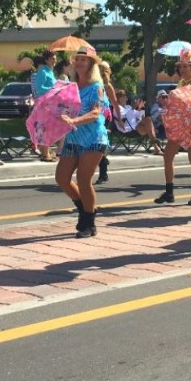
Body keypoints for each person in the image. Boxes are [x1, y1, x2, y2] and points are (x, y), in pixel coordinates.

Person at [55, 46, 110, 238]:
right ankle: (84, 208)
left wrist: (74, 121)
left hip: (93, 138)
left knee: (84, 180)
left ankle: (89, 222)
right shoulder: (70, 87)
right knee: (62, 178)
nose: (79, 62)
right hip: (73, 138)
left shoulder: (97, 87)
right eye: (77, 59)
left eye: (83, 60)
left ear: (91, 64)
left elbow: (96, 113)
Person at [154, 50, 191, 205]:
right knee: (167, 155)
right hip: (180, 125)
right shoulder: (180, 84)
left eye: (186, 66)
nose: (182, 69)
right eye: (181, 66)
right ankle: (169, 192)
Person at [32, 50, 58, 162]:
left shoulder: (50, 71)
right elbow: (39, 89)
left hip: (50, 105)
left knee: (48, 128)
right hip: (43, 105)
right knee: (44, 128)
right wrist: (54, 89)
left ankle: (46, 152)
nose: (55, 60)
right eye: (52, 58)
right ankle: (45, 154)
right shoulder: (43, 71)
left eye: (55, 58)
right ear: (46, 60)